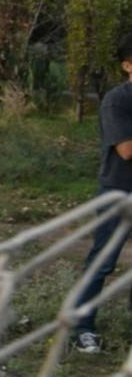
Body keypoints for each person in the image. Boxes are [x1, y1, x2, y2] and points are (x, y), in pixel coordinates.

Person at [71, 33, 132, 353]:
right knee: (103, 262)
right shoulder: (118, 100)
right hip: (118, 193)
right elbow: (126, 150)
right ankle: (82, 327)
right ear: (127, 65)